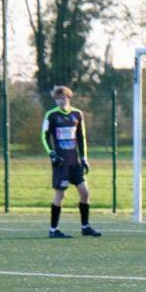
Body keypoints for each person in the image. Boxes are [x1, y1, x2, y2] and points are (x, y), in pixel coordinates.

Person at [42, 85, 101, 238]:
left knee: (85, 192)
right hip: (61, 162)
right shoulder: (51, 115)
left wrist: (84, 157)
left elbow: (82, 137)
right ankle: (53, 229)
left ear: (69, 97)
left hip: (75, 161)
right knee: (60, 195)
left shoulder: (77, 114)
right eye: (57, 99)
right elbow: (44, 136)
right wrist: (52, 155)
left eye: (63, 98)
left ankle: (85, 226)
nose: (60, 101)